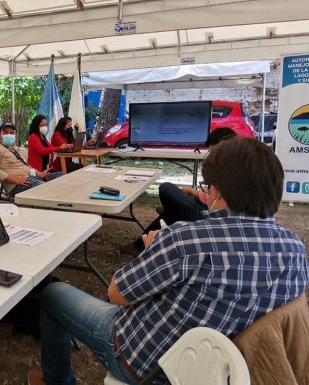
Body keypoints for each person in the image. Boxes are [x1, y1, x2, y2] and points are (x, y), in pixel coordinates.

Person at [28, 137, 308, 385]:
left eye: (208, 186)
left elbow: (116, 294)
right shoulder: (296, 250)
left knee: (53, 293)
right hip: (224, 372)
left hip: (145, 363)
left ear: (219, 191)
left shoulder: (187, 239)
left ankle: (57, 380)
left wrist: (152, 250)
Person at [121, 127, 238, 256]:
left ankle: (144, 242)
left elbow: (216, 202)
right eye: (210, 152)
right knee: (172, 209)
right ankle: (141, 244)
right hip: (209, 208)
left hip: (208, 214)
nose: (211, 156)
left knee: (166, 188)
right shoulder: (234, 165)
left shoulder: (230, 170)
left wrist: (194, 193)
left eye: (215, 152)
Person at [0, 122, 57, 198]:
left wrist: (38, 173)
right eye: (5, 132)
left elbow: (23, 166)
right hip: (15, 185)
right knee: (48, 189)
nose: (9, 135)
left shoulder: (13, 148)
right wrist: (14, 180)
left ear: (15, 135)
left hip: (29, 178)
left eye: (11, 133)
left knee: (59, 177)